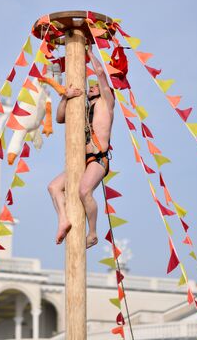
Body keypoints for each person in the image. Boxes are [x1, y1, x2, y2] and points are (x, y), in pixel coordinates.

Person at [45, 45, 115, 249]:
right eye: (90, 86)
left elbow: (101, 73)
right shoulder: (82, 108)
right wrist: (66, 97)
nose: (91, 87)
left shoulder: (107, 104)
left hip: (98, 159)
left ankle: (92, 233)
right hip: (80, 161)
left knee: (84, 191)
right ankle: (63, 220)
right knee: (53, 187)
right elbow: (59, 118)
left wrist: (90, 53)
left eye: (95, 87)